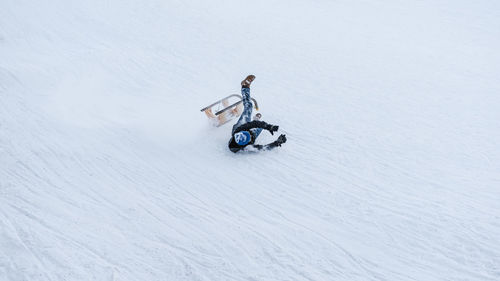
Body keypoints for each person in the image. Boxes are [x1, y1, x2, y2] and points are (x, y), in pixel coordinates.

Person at [228, 75, 287, 153]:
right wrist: (277, 143)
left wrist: (268, 127)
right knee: (259, 127)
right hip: (252, 135)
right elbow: (263, 148)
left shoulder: (239, 130)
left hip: (239, 127)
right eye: (248, 137)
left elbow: (253, 124)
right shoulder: (248, 147)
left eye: (247, 132)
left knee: (249, 107)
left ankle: (245, 87)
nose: (249, 132)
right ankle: (256, 120)